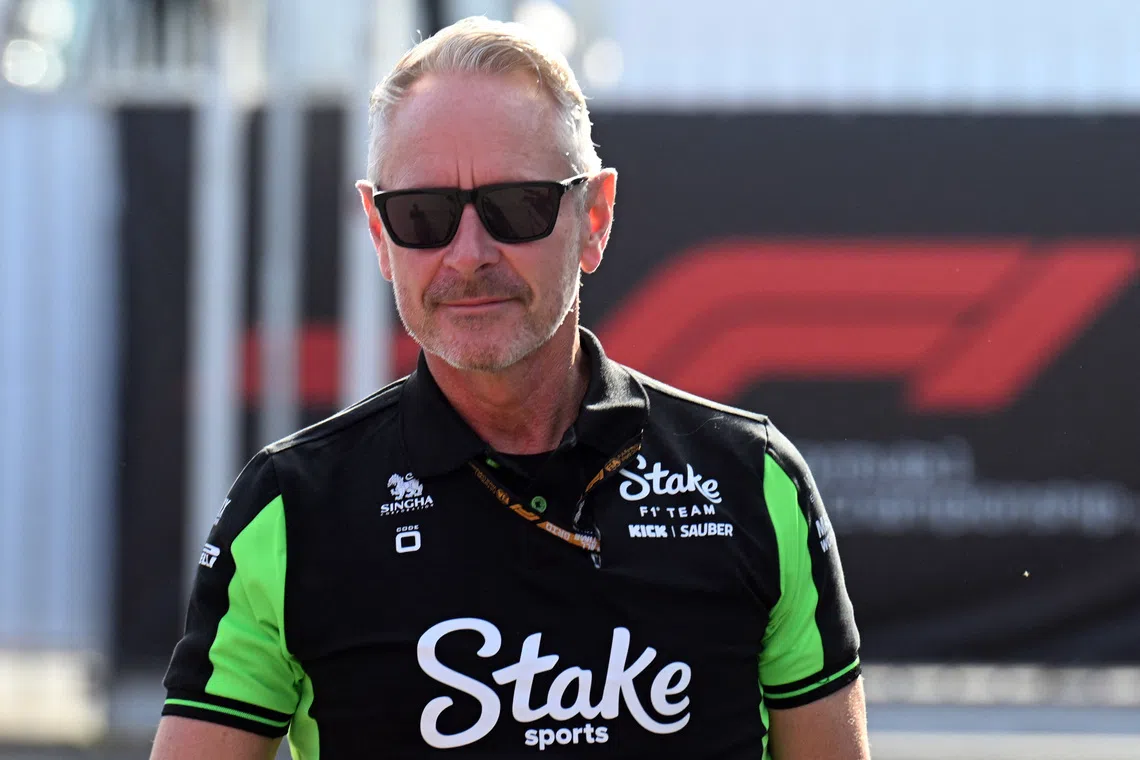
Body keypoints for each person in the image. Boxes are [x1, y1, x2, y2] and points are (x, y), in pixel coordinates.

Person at [151, 16, 868, 760]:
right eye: (423, 215)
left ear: (594, 218)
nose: (469, 254)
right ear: (377, 231)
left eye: (515, 207)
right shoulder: (290, 507)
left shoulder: (753, 479)